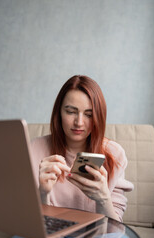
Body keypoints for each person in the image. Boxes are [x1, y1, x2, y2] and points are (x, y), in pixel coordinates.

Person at [31, 75, 134, 222]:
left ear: (99, 117)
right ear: (58, 113)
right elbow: (34, 222)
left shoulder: (114, 154)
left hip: (96, 233)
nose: (79, 122)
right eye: (71, 111)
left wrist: (103, 199)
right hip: (50, 231)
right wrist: (43, 193)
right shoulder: (34, 148)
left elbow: (114, 228)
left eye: (89, 114)